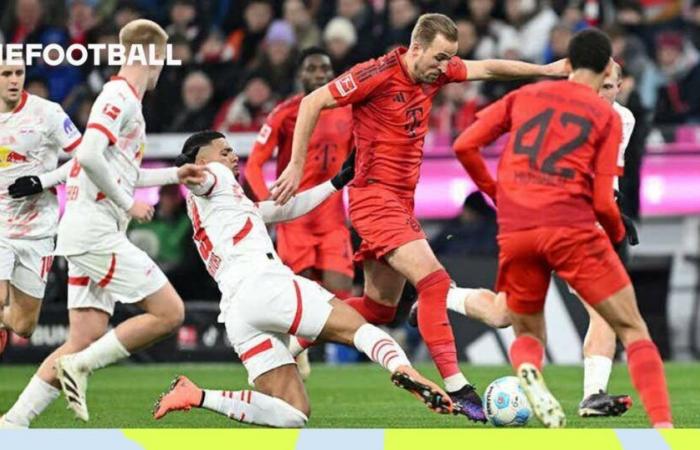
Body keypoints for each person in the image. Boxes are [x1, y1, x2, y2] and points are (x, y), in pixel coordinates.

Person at [270, 13, 567, 422]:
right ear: (417, 48)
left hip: (401, 202)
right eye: (441, 58)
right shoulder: (375, 73)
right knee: (434, 282)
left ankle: (299, 337)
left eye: (451, 59)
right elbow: (311, 101)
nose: (447, 68)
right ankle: (458, 386)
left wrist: (545, 70)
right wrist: (296, 165)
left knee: (378, 310)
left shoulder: (437, 73)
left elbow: (489, 68)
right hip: (374, 199)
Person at [151, 131, 451, 427]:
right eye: (224, 151)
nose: (232, 157)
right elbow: (198, 177)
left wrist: (335, 183)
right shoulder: (213, 176)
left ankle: (196, 395)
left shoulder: (219, 206)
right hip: (265, 284)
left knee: (292, 412)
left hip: (237, 311)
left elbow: (284, 209)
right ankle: (403, 368)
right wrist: (161, 175)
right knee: (359, 330)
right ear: (202, 161)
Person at [450, 29, 672, 428]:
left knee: (545, 324)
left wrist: (500, 194)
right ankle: (664, 431)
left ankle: (588, 394)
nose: (605, 92)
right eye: (603, 83)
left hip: (522, 220)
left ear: (567, 65)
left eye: (612, 88)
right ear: (603, 70)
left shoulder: (529, 97)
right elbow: (602, 192)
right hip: (575, 219)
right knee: (625, 322)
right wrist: (617, 233)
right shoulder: (608, 117)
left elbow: (465, 144)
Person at [0, 19, 205, 428]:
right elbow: (89, 155)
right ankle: (80, 367)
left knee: (84, 335)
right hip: (94, 231)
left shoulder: (124, 98)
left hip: (85, 230)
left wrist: (172, 175)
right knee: (170, 313)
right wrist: (129, 204)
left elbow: (108, 166)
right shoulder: (120, 95)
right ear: (154, 56)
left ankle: (13, 423)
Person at [0, 59, 82, 357]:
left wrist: (42, 181)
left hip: (37, 230)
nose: (13, 80)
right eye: (5, 74)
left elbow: (86, 157)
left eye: (18, 73)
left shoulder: (48, 113)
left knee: (23, 326)